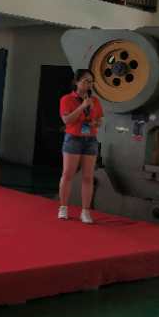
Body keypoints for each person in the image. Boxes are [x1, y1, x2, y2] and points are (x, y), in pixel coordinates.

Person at [58, 69, 103, 224]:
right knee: (68, 174)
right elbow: (67, 120)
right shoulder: (67, 99)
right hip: (73, 139)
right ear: (76, 82)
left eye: (91, 81)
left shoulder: (95, 101)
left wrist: (96, 123)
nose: (89, 84)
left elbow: (100, 119)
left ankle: (85, 211)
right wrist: (82, 106)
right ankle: (63, 207)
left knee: (88, 177)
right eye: (85, 81)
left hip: (90, 139)